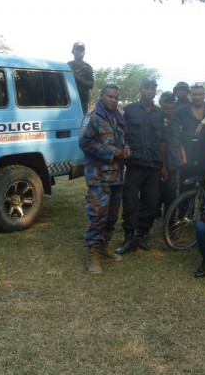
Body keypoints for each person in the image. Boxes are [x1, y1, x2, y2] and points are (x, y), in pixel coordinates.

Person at [78, 84, 131, 274]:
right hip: (98, 177)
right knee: (97, 215)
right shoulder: (92, 117)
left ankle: (104, 246)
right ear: (102, 96)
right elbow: (84, 142)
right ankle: (93, 255)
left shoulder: (117, 117)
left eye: (116, 97)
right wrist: (112, 152)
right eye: (110, 96)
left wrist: (125, 148)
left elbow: (122, 139)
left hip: (117, 176)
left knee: (112, 216)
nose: (113, 100)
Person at [116, 78, 167, 254]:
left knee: (150, 203)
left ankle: (142, 235)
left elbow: (162, 142)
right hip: (135, 165)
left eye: (153, 88)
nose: (150, 91)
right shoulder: (128, 111)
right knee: (130, 201)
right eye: (146, 88)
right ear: (140, 89)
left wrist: (164, 165)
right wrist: (123, 149)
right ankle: (129, 237)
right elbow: (119, 133)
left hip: (154, 165)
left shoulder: (159, 114)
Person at [174, 83, 205, 186]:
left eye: (200, 94)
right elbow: (174, 131)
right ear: (190, 96)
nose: (197, 97)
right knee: (185, 186)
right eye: (194, 95)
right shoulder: (181, 110)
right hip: (187, 156)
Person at [159, 91, 185, 217]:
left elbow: (180, 141)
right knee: (155, 193)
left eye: (171, 102)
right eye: (166, 102)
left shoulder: (177, 120)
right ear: (160, 103)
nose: (169, 105)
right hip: (157, 162)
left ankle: (170, 221)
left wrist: (183, 158)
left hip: (174, 161)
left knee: (172, 193)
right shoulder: (155, 117)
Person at [68, 41, 94, 115]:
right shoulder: (68, 65)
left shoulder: (88, 67)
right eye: (77, 50)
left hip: (82, 101)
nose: (79, 52)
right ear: (72, 51)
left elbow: (91, 85)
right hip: (69, 100)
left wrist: (76, 78)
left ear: (84, 53)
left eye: (81, 50)